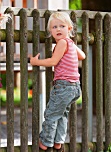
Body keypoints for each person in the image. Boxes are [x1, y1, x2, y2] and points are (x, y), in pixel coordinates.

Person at [30, 11, 86, 150]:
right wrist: (72, 47)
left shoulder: (61, 43)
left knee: (51, 114)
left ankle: (46, 142)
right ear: (50, 30)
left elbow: (54, 61)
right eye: (54, 27)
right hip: (75, 88)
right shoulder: (70, 43)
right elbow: (83, 56)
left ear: (69, 28)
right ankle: (58, 142)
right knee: (62, 115)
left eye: (62, 26)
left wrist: (36, 62)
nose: (58, 29)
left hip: (64, 86)